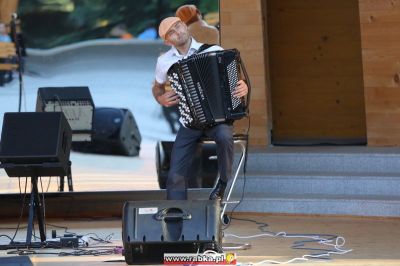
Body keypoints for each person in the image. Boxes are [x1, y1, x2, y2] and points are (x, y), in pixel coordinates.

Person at [152, 17, 248, 200]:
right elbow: (157, 87)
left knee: (224, 135)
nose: (178, 31)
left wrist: (244, 87)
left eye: (178, 26)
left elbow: (237, 81)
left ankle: (223, 183)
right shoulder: (164, 62)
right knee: (175, 175)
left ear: (184, 26)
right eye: (171, 31)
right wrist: (160, 97)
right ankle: (176, 217)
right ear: (167, 40)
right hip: (189, 123)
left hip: (217, 119)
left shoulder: (214, 51)